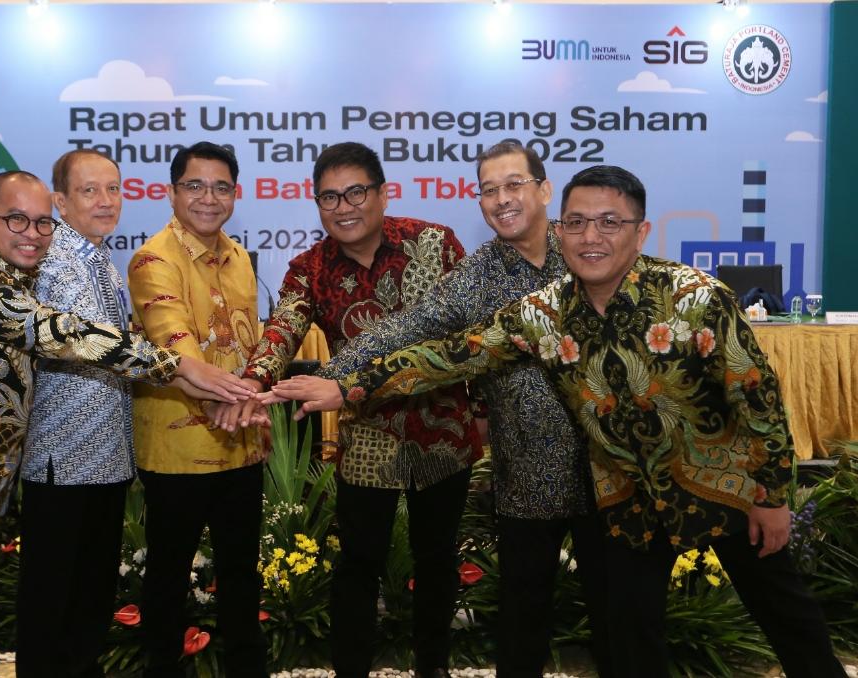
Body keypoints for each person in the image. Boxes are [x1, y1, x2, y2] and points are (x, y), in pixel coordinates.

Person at [266, 165, 847, 678]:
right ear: (560, 229)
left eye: (609, 223)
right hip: (630, 502)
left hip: (728, 489)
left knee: (789, 622)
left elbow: (759, 399)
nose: (591, 237)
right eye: (578, 223)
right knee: (632, 637)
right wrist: (349, 385)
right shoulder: (544, 313)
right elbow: (453, 354)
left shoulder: (697, 298)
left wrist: (772, 496)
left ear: (641, 231)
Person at [0, 170, 253, 678]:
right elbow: (60, 333)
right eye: (17, 219)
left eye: (42, 223)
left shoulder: (22, 270)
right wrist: (177, 366)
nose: (33, 233)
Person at [308, 142, 609, 677]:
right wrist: (337, 377)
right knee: (523, 621)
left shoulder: (589, 248)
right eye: (489, 190)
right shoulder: (477, 276)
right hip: (527, 475)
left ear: (544, 190)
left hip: (608, 467)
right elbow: (408, 330)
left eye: (513, 185)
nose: (502, 199)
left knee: (621, 615)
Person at [224, 142, 482, 678]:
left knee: (438, 560)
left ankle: (432, 666)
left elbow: (470, 336)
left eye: (356, 193)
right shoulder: (310, 268)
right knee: (358, 564)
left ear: (383, 194)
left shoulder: (435, 245)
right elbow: (282, 329)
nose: (343, 207)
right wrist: (254, 380)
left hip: (443, 429)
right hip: (368, 439)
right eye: (330, 197)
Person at [127, 142, 268, 677]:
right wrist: (230, 399)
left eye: (221, 187)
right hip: (178, 448)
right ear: (171, 192)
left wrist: (245, 398)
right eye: (195, 185)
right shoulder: (153, 259)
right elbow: (175, 342)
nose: (209, 198)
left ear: (235, 193)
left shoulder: (240, 258)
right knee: (168, 576)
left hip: (241, 443)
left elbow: (249, 343)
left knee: (242, 573)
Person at [17, 150, 134, 677]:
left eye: (113, 189)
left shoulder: (101, 259)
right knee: (51, 601)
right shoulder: (52, 260)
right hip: (61, 460)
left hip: (106, 457)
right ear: (60, 202)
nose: (106, 201)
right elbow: (94, 347)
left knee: (91, 596)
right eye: (90, 191)